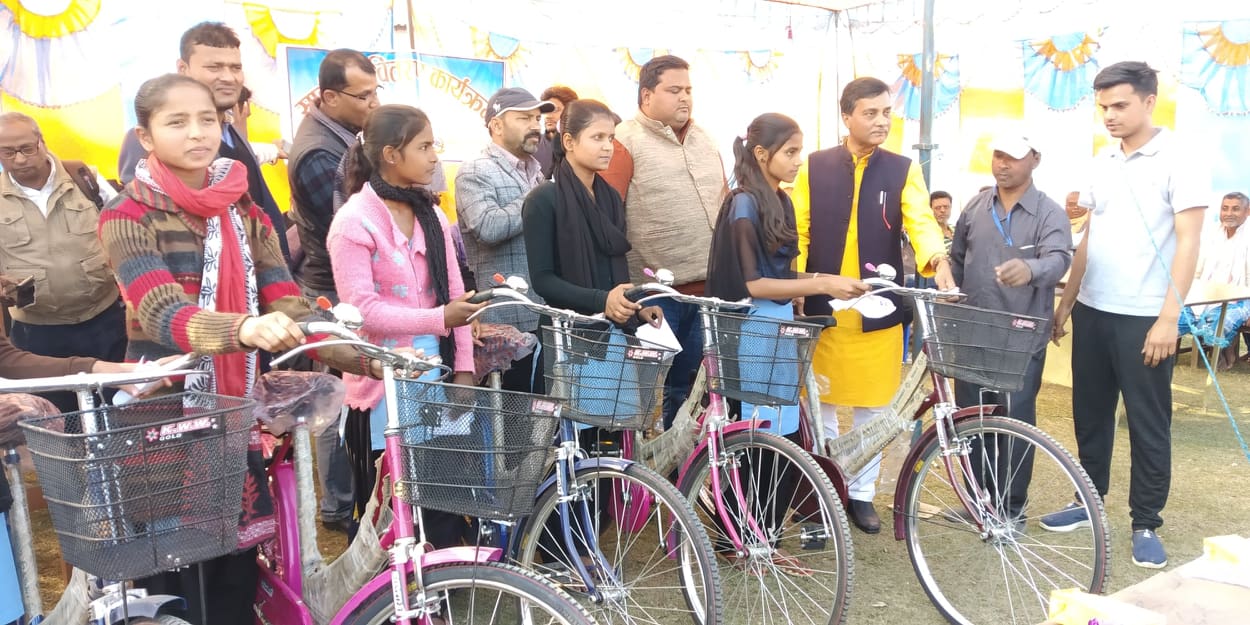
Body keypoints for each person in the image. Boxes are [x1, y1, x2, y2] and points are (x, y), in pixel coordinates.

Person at [98, 73, 382, 625]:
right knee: (174, 577)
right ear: (146, 136)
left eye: (207, 119)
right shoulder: (126, 214)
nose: (197, 132)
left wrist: (363, 356)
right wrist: (245, 328)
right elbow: (161, 312)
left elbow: (288, 301)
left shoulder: (244, 209)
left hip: (233, 414)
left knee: (233, 572)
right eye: (177, 122)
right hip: (162, 415)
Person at [1046, 61, 1207, 569]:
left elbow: (1189, 242)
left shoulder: (1180, 159)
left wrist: (1168, 319)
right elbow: (1090, 236)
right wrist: (1067, 301)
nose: (1110, 116)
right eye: (1103, 107)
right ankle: (1087, 501)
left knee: (1146, 422)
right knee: (1090, 414)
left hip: (1145, 317)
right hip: (1093, 309)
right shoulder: (1103, 160)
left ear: (1149, 101)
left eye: (1120, 105)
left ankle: (1146, 522)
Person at [793, 76, 954, 534]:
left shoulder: (903, 169)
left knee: (874, 408)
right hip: (822, 306)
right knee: (819, 407)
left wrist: (938, 260)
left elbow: (921, 222)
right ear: (847, 117)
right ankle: (822, 491)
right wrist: (798, 283)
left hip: (879, 308)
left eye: (887, 112)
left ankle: (862, 495)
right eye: (870, 113)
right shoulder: (814, 166)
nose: (882, 121)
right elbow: (798, 228)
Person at [328, 104, 481, 541]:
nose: (435, 157)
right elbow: (362, 310)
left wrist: (464, 368)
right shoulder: (353, 222)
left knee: (444, 498)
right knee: (389, 504)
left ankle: (445, 575)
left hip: (439, 372)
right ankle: (394, 581)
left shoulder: (432, 215)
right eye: (425, 146)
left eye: (434, 145)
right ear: (392, 155)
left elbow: (457, 295)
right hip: (383, 377)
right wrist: (439, 318)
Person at [947, 134, 1072, 523]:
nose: (1002, 164)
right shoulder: (975, 207)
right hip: (973, 333)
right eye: (998, 155)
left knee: (1014, 425)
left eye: (1012, 157)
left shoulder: (1050, 213)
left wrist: (1031, 269)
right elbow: (957, 259)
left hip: (1020, 339)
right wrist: (947, 284)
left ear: (1035, 159)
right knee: (971, 421)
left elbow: (1059, 259)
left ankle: (1011, 507)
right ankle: (977, 502)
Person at [285, 48, 381, 536]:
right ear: (328, 96)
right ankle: (339, 505)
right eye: (363, 96)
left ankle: (347, 499)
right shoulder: (318, 153)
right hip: (332, 288)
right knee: (337, 395)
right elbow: (348, 224)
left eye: (375, 92)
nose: (372, 103)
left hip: (344, 282)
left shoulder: (341, 137)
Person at [601, 55, 725, 429]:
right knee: (647, 393)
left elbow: (724, 199)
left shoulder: (705, 139)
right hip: (654, 297)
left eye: (688, 89)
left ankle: (683, 461)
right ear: (646, 95)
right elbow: (607, 217)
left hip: (707, 292)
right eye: (674, 90)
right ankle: (642, 461)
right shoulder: (624, 141)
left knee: (692, 391)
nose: (684, 97)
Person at [117, 21, 289, 263]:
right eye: (214, 67)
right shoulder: (151, 143)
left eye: (235, 67)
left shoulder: (231, 128)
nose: (228, 77)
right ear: (183, 68)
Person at [0, 112, 126, 413]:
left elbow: (123, 230)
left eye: (26, 148)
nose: (19, 159)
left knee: (117, 407)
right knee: (55, 417)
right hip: (37, 332)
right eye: (8, 152)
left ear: (42, 142)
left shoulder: (85, 179)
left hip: (104, 319)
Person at [455, 87, 553, 393]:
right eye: (524, 118)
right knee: (509, 412)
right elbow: (487, 226)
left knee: (541, 409)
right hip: (503, 319)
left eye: (536, 118)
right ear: (496, 125)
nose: (535, 126)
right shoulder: (475, 170)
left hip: (542, 310)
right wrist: (536, 199)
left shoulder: (537, 172)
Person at [1178, 191, 1249, 369]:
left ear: (1247, 211)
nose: (1229, 213)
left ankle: (1225, 355)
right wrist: (1186, 295)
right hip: (1204, 296)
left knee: (1218, 326)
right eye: (1225, 208)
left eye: (1235, 209)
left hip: (1241, 299)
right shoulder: (1210, 234)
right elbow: (1196, 271)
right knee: (1175, 321)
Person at [534, 85, 579, 178]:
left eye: (555, 110)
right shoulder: (532, 145)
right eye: (546, 111)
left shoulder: (579, 146)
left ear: (570, 112)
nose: (548, 116)